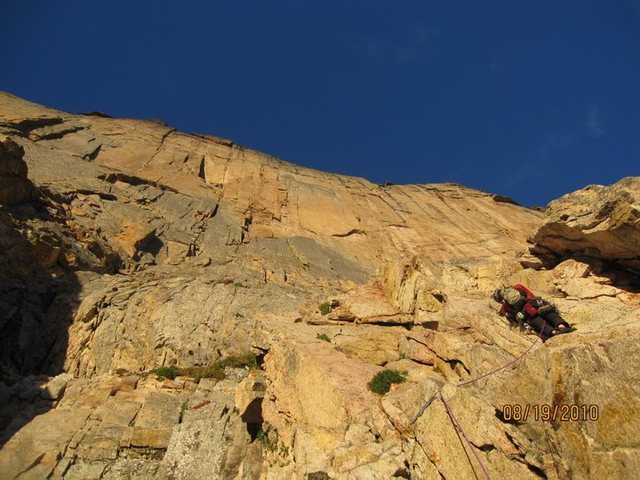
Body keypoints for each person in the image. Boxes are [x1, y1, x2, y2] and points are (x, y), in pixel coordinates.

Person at [492, 284, 574, 341]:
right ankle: (562, 326)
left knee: (537, 322)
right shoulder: (518, 287)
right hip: (536, 304)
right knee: (548, 312)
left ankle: (554, 332)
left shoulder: (506, 307)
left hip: (528, 315)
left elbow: (514, 315)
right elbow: (531, 295)